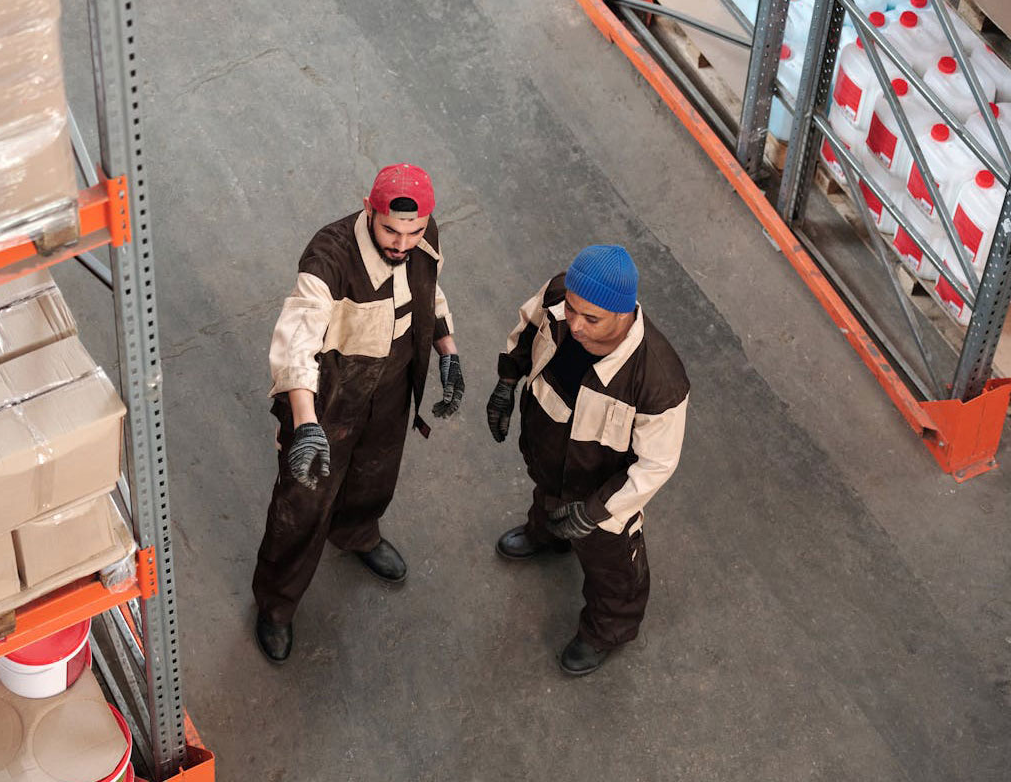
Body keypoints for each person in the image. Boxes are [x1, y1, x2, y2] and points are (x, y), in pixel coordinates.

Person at [252, 163, 464, 663]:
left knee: (375, 471)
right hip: (330, 397)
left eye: (412, 232)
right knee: (302, 503)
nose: (402, 242)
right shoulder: (329, 260)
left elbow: (429, 292)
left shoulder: (422, 237)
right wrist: (305, 424)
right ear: (370, 210)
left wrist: (447, 350)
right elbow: (296, 343)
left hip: (391, 384)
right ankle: (277, 606)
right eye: (391, 229)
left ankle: (357, 532)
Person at [486, 244, 688, 675]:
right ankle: (548, 537)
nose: (574, 324)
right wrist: (507, 381)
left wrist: (597, 511)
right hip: (548, 453)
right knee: (547, 500)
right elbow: (528, 327)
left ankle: (608, 630)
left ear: (624, 313)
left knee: (612, 567)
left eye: (590, 318)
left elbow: (655, 465)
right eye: (572, 310)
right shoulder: (564, 293)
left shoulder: (658, 380)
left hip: (603, 494)